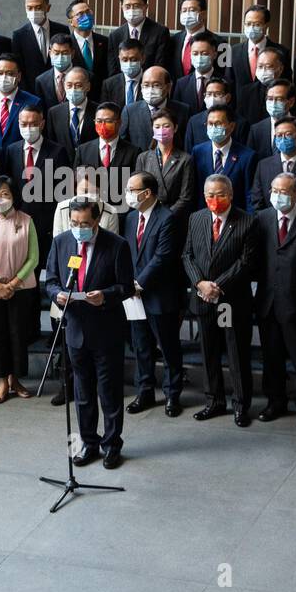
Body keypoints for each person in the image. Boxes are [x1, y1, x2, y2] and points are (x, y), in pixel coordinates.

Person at [46, 197, 136, 467]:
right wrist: (58, 294)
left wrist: (105, 295)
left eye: (84, 223)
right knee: (82, 392)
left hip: (106, 329)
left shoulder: (117, 245)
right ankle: (88, 442)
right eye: (74, 222)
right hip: (74, 328)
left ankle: (112, 444)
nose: (79, 228)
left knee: (108, 392)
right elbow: (50, 280)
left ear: (96, 220)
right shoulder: (62, 242)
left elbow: (126, 287)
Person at [181, 175, 259, 425]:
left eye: (220, 194)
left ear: (231, 194)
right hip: (203, 297)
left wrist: (218, 286)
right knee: (209, 352)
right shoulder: (196, 218)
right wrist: (200, 283)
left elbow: (246, 262)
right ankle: (214, 401)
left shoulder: (247, 221)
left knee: (236, 353)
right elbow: (187, 255)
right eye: (210, 195)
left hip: (231, 300)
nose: (215, 200)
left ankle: (240, 405)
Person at [255, 173, 296, 424]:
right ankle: (275, 402)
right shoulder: (262, 219)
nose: (278, 195)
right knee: (271, 358)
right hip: (268, 302)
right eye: (274, 190)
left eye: (283, 191)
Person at [0, 177, 40, 404]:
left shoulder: (26, 221)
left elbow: (33, 258)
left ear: (14, 197)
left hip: (20, 289)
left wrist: (12, 284)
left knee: (17, 335)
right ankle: (2, 382)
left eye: (5, 194)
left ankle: (16, 380)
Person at [123, 172, 185, 416]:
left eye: (131, 189)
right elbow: (127, 253)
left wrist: (139, 284)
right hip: (134, 296)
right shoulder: (130, 219)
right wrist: (128, 283)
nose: (128, 194)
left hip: (160, 294)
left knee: (168, 347)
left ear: (146, 193)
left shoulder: (168, 218)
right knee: (141, 346)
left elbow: (163, 257)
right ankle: (145, 391)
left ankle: (172, 395)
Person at [7, 103, 70, 262]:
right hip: (16, 225)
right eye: (24, 124)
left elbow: (64, 192)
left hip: (45, 227)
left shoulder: (57, 151)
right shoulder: (11, 150)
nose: (28, 128)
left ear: (42, 124)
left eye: (33, 124)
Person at [191, 102, 257, 209]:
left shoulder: (247, 156)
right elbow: (194, 191)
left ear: (231, 126)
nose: (213, 128)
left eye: (218, 124)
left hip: (236, 218)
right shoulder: (198, 152)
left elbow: (249, 195)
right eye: (210, 124)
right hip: (205, 217)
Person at [134, 108, 197, 219]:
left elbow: (185, 197)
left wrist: (165, 217)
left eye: (166, 126)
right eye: (157, 127)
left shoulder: (185, 159)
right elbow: (137, 190)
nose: (161, 130)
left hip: (173, 217)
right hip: (147, 215)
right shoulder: (143, 158)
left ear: (175, 128)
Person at [77, 102, 141, 209]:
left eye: (108, 121)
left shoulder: (133, 152)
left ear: (119, 123)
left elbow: (135, 187)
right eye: (99, 121)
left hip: (121, 211)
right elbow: (77, 183)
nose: (103, 125)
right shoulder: (83, 150)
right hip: (90, 212)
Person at [10, 0, 70, 83]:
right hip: (31, 91)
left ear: (48, 7)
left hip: (57, 87)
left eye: (38, 7)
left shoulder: (62, 30)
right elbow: (18, 68)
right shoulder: (19, 36)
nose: (33, 11)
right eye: (29, 8)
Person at [123, 65, 189, 149]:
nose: (150, 90)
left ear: (168, 87)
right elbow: (124, 144)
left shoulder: (183, 111)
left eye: (156, 85)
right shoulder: (130, 111)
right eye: (146, 85)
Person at [107, 0, 171, 69]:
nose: (132, 10)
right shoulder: (114, 36)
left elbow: (160, 66)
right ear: (121, 7)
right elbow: (113, 71)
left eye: (136, 6)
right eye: (127, 6)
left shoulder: (160, 33)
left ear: (146, 7)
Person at [0, 53, 39, 148]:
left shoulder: (33, 102)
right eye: (0, 73)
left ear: (19, 76)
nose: (4, 77)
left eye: (10, 74)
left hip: (20, 159)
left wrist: (47, 163)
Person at [47, 66, 97, 161]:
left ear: (88, 87)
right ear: (64, 85)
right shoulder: (54, 113)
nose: (73, 89)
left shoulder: (98, 111)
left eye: (78, 85)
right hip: (62, 168)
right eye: (69, 85)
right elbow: (52, 144)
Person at [232, 4, 287, 85]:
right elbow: (230, 82)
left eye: (257, 24)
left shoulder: (281, 51)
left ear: (266, 25)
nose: (251, 28)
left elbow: (285, 83)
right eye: (248, 24)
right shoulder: (234, 51)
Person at [66, 0, 109, 87]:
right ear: (71, 22)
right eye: (80, 14)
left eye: (88, 12)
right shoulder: (67, 44)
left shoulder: (105, 42)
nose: (86, 16)